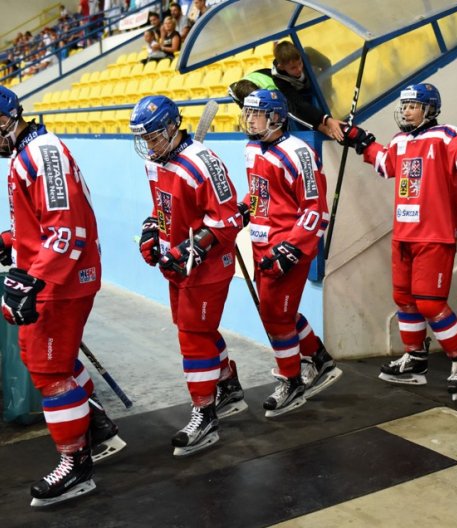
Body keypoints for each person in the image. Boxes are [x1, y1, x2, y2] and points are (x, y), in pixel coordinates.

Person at [0, 86, 125, 507]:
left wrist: (32, 280)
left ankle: (76, 465)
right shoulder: (29, 151)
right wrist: (12, 243)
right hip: (58, 275)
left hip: (61, 281)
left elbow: (67, 230)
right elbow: (43, 224)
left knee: (49, 373)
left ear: (9, 118)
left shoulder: (41, 152)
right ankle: (98, 427)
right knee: (58, 360)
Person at [339, 83, 457, 401]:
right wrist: (361, 140)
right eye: (405, 105)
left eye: (413, 105)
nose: (406, 110)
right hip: (404, 235)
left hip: (434, 235)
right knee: (404, 299)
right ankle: (415, 358)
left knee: (430, 303)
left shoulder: (447, 136)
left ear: (429, 109)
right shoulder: (400, 141)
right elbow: (385, 164)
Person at [129, 95, 246, 457]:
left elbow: (229, 218)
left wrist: (196, 245)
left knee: (193, 338)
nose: (148, 145)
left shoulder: (204, 162)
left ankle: (204, 412)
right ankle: (227, 384)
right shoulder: (157, 161)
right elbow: (162, 206)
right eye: (144, 139)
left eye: (153, 137)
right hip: (177, 263)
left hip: (207, 267)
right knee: (195, 329)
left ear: (169, 128)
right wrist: (153, 229)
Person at [239, 89, 342, 417]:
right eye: (248, 113)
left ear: (276, 117)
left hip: (289, 248)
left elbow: (316, 209)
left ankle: (291, 380)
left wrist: (291, 247)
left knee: (276, 318)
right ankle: (320, 360)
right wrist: (239, 212)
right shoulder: (252, 148)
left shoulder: (298, 152)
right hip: (261, 245)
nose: (250, 120)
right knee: (276, 314)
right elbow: (258, 195)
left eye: (256, 114)